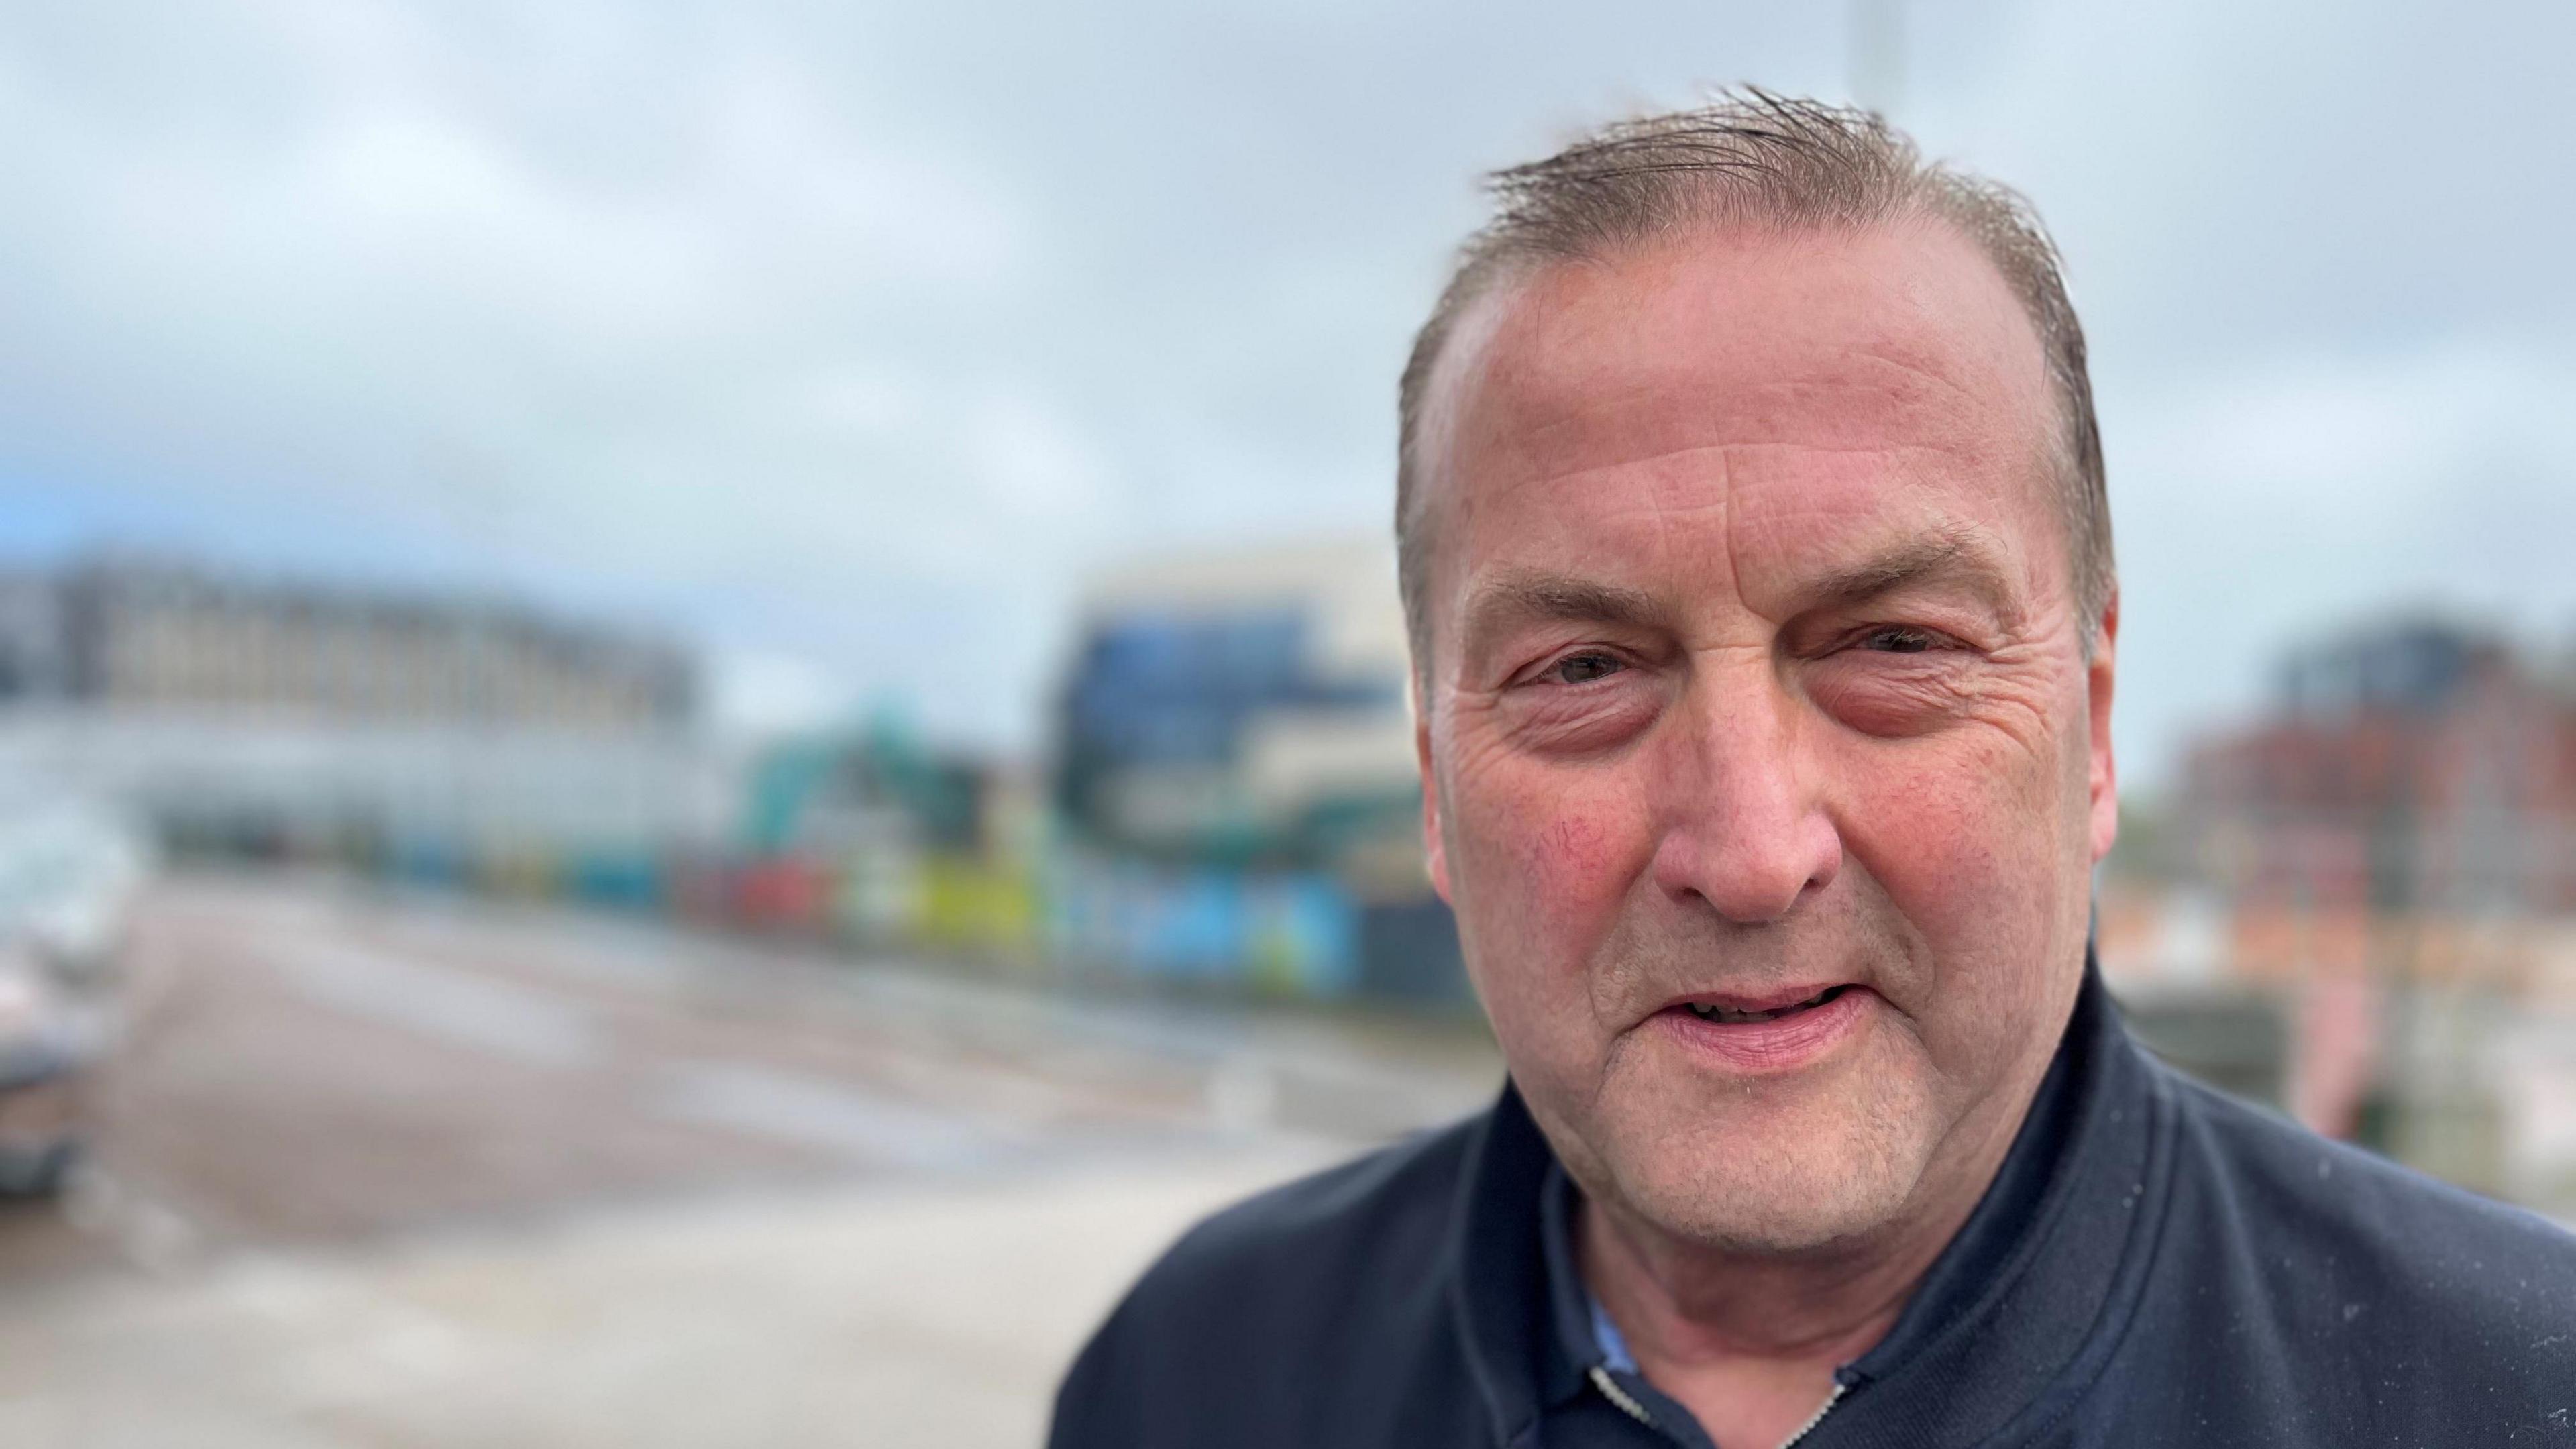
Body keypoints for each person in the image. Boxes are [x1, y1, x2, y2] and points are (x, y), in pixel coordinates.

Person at [1048, 91, 2576, 1448]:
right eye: (1584, 670)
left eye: (1895, 647)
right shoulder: (1192, 1375)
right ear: (1437, 790)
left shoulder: (2519, 1393)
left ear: (2094, 734)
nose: (1754, 846)